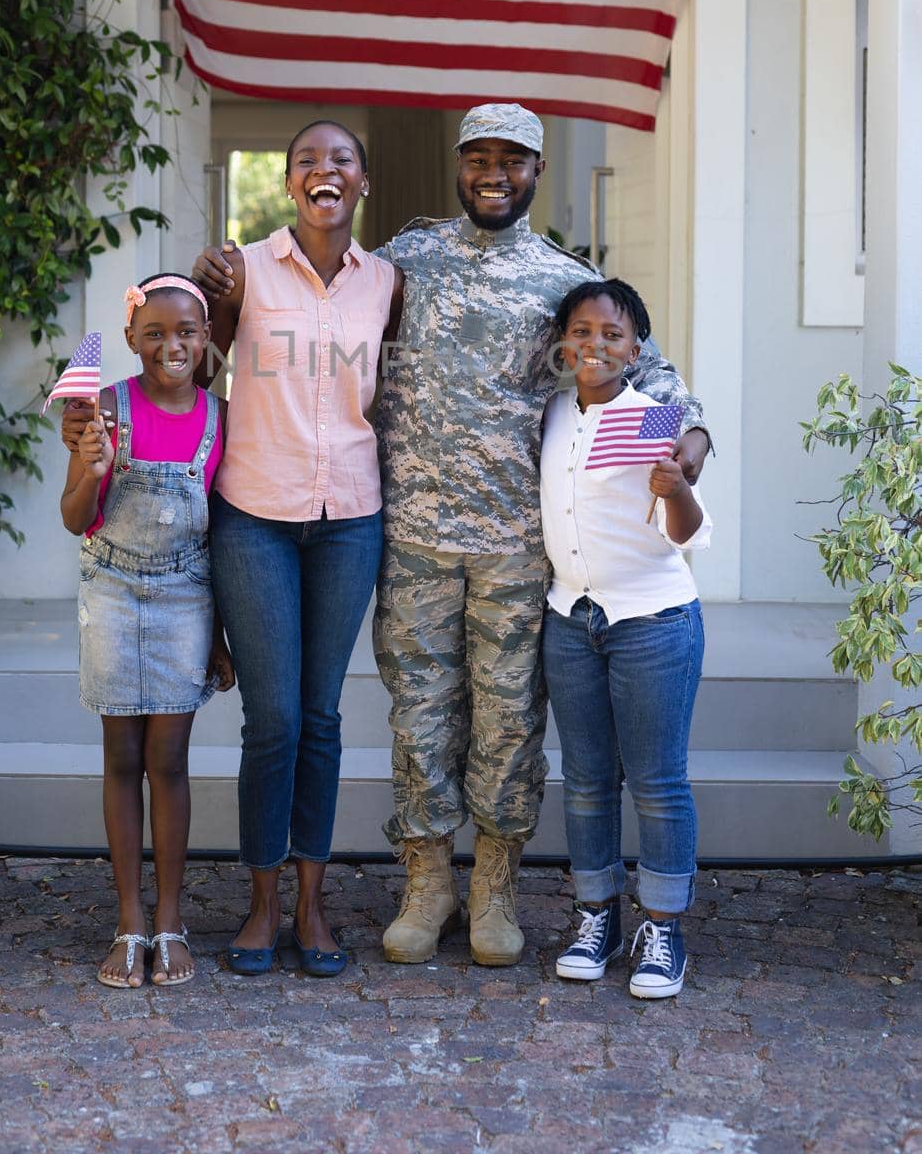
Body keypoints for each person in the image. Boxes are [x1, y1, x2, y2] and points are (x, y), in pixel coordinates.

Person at [195, 101, 709, 970]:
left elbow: (649, 371)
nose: (494, 175)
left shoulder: (562, 281)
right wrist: (225, 283)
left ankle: (493, 886)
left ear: (536, 172)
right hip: (412, 537)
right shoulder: (402, 261)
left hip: (516, 545)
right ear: (458, 167)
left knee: (507, 720)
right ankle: (426, 881)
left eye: (513, 160)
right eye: (479, 159)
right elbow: (318, 318)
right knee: (421, 718)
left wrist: (689, 440)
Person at [201, 120, 403, 977]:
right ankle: (259, 903)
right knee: (273, 719)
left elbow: (394, 392)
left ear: (361, 182)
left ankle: (313, 905)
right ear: (289, 185)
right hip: (255, 515)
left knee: (320, 718)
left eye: (341, 161)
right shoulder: (241, 268)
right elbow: (188, 352)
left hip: (351, 517)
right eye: (307, 163)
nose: (325, 172)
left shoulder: (388, 282)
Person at [60, 273, 234, 989]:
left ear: (206, 341)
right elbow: (74, 517)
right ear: (130, 338)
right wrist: (84, 466)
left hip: (187, 597)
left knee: (169, 759)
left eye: (186, 332)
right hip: (112, 588)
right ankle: (128, 922)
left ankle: (170, 921)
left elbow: (223, 536)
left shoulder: (223, 417)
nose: (172, 344)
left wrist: (220, 635)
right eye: (155, 332)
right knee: (121, 754)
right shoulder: (103, 409)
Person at [541, 278, 709, 999]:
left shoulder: (651, 418)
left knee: (656, 783)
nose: (595, 345)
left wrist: (675, 485)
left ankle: (662, 927)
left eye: (611, 334)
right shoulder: (548, 416)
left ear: (636, 349)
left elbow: (688, 534)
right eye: (581, 331)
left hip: (652, 621)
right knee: (584, 783)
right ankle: (595, 916)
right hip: (570, 619)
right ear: (561, 344)